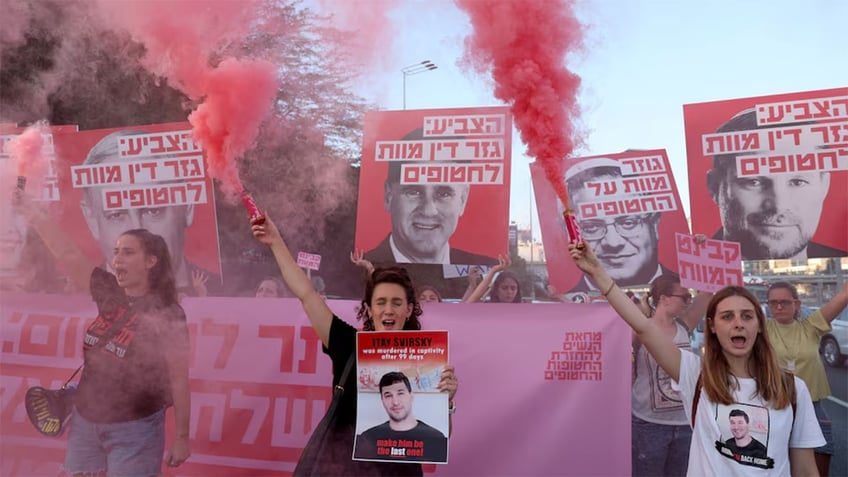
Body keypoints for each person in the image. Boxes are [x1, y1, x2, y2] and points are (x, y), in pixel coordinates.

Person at [569, 240, 824, 476]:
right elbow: (645, 328)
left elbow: (805, 469)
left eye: (747, 316)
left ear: (759, 325)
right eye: (727, 317)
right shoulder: (696, 375)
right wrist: (599, 274)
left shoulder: (792, 389)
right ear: (712, 327)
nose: (738, 324)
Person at [251, 216, 458, 476]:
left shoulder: (425, 360)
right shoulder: (349, 344)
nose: (388, 309)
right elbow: (306, 295)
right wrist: (275, 242)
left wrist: (447, 403)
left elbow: (437, 436)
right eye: (380, 302)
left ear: (408, 309)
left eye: (396, 302)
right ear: (370, 310)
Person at [64, 229, 191, 475]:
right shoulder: (109, 293)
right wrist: (34, 213)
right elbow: (67, 254)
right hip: (85, 428)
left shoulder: (168, 313)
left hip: (136, 432)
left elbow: (178, 377)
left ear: (150, 261)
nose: (117, 259)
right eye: (116, 252)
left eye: (128, 252)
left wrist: (182, 437)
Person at [79, 130, 222, 297]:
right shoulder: (75, 297)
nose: (137, 233)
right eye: (116, 215)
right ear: (91, 220)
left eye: (154, 211)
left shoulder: (224, 293)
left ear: (187, 206)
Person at [706, 108, 846, 260]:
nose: (778, 205)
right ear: (715, 187)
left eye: (798, 182)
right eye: (754, 182)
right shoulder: (688, 270)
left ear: (824, 187)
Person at [630, 273, 712, 477]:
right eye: (684, 297)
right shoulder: (640, 330)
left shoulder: (685, 325)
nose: (689, 301)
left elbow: (709, 288)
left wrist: (700, 250)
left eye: (690, 296)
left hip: (685, 423)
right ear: (664, 299)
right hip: (648, 424)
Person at [766, 280, 848, 476]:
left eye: (785, 302)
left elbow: (842, 298)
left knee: (818, 467)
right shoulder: (761, 329)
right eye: (773, 302)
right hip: (774, 408)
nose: (778, 306)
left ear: (797, 304)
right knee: (777, 467)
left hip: (812, 408)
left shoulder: (811, 327)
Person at [564, 158, 669, 293]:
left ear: (654, 224)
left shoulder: (686, 290)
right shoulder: (565, 303)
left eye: (628, 223)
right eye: (591, 228)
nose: (613, 243)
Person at [363, 160, 496, 266]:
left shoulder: (488, 268)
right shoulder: (354, 269)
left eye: (443, 194)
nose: (428, 211)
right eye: (413, 192)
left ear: (463, 199)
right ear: (388, 196)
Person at [354, 372, 448, 463]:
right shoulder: (367, 438)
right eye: (388, 395)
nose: (395, 402)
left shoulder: (435, 437)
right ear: (382, 400)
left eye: (400, 393)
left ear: (411, 396)